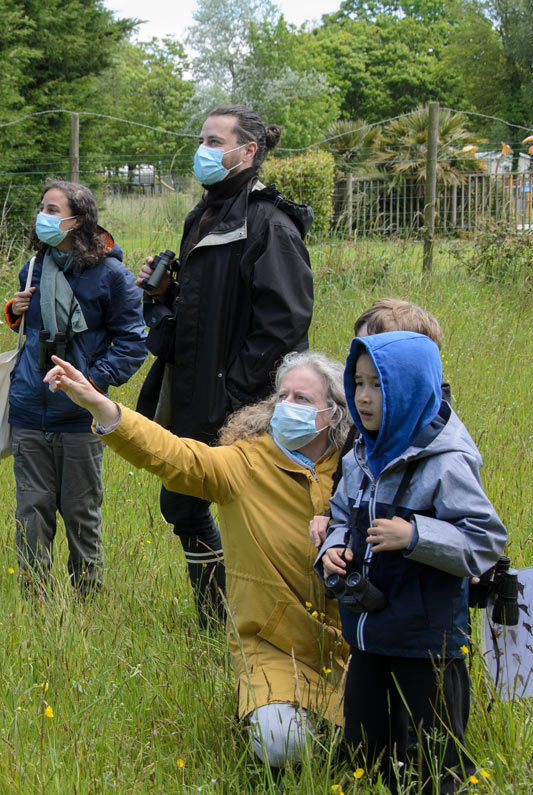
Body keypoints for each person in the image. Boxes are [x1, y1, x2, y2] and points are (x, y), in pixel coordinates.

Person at [43, 350, 350, 768]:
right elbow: (178, 456)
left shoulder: (358, 471)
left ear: (332, 415)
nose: (287, 407)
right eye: (283, 397)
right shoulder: (246, 464)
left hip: (350, 649)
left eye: (303, 400)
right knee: (282, 743)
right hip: (275, 646)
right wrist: (102, 406)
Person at [135, 104, 314, 627]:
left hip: (241, 403)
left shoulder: (268, 222)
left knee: (248, 514)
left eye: (215, 141)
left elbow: (286, 323)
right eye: (203, 140)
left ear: (248, 151)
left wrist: (237, 392)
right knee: (184, 504)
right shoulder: (205, 214)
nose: (204, 150)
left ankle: (263, 618)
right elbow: (198, 307)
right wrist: (167, 291)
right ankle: (214, 618)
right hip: (192, 388)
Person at [316, 332, 506, 793]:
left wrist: (415, 535)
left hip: (427, 644)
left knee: (432, 762)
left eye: (378, 385)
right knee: (364, 757)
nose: (362, 397)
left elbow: (486, 541)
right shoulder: (363, 451)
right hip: (367, 632)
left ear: (410, 388)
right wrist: (334, 548)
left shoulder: (447, 462)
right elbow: (340, 514)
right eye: (357, 383)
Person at [3, 180, 146, 598]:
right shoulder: (33, 268)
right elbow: (29, 332)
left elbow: (134, 342)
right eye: (41, 208)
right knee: (31, 512)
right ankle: (35, 602)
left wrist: (92, 383)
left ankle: (87, 602)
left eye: (52, 209)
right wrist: (14, 310)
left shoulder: (112, 275)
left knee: (81, 514)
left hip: (80, 418)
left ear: (78, 220)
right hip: (30, 409)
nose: (43, 217)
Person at [309, 298, 447, 549]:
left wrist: (419, 538)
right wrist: (334, 529)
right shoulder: (366, 427)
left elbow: (471, 535)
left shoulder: (441, 440)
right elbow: (351, 496)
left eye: (377, 354)